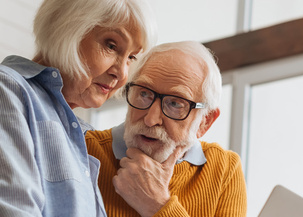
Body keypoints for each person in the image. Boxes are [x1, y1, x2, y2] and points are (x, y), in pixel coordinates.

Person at [0, 0, 156, 216]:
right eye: (111, 45)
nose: (122, 73)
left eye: (131, 58)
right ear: (68, 28)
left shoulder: (79, 133)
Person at [84, 41, 247, 217]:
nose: (150, 119)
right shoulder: (85, 148)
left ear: (204, 122)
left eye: (175, 104)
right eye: (144, 94)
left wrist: (157, 205)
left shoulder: (224, 169)